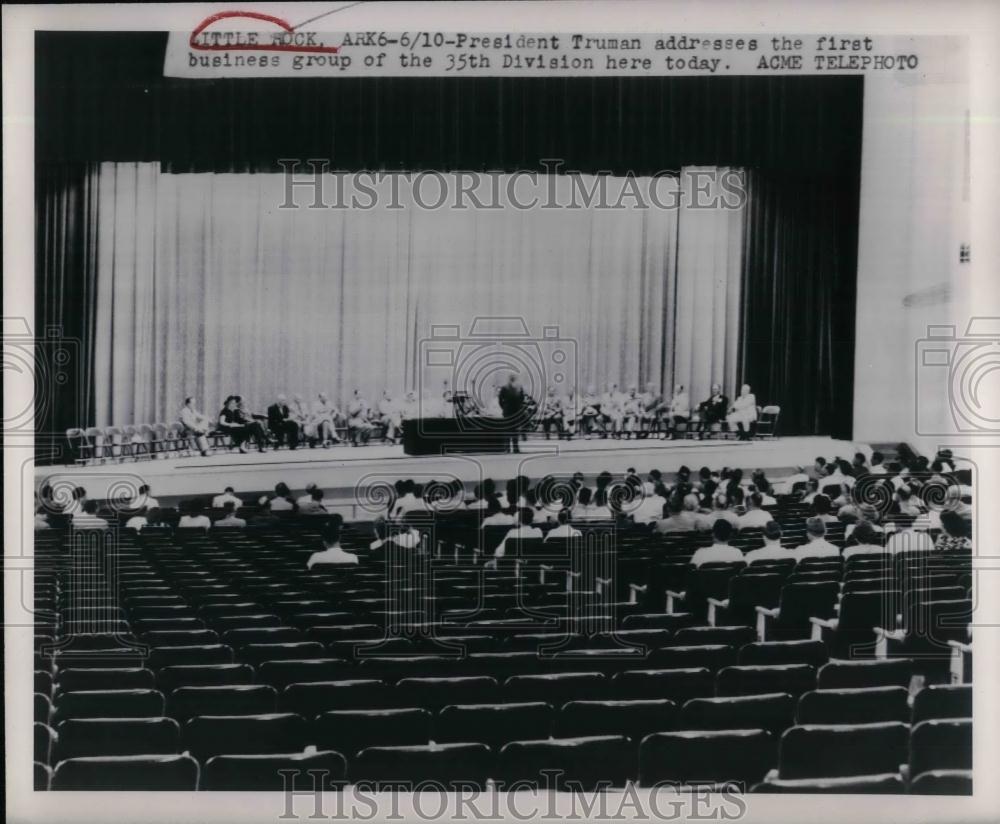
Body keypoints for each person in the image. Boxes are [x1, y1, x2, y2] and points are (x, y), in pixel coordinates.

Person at [498, 374, 527, 454]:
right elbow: (500, 400)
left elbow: (522, 398)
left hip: (514, 411)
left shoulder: (518, 388)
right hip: (509, 411)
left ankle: (514, 448)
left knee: (514, 431)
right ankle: (509, 448)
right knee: (508, 430)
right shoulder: (506, 388)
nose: (512, 379)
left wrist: (518, 408)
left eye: (513, 378)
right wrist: (504, 408)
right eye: (512, 378)